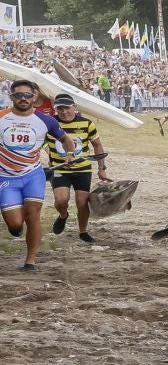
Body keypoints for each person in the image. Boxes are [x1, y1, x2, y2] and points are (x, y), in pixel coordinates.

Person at [2, 79, 73, 271]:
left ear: (34, 96)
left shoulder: (46, 120)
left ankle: (30, 261)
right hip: (6, 177)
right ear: (12, 97)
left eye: (27, 95)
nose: (23, 99)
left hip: (33, 175)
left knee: (32, 216)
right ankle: (15, 229)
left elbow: (66, 140)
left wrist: (69, 155)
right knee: (16, 223)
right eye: (19, 95)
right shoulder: (1, 116)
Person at [46, 93, 107, 242]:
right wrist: (48, 151)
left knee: (82, 202)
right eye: (60, 108)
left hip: (82, 169)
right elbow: (38, 140)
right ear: (56, 109)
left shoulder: (87, 124)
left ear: (74, 107)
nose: (64, 111)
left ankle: (83, 231)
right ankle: (63, 215)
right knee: (61, 201)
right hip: (59, 168)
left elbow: (97, 145)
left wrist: (102, 168)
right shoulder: (50, 123)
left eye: (67, 108)